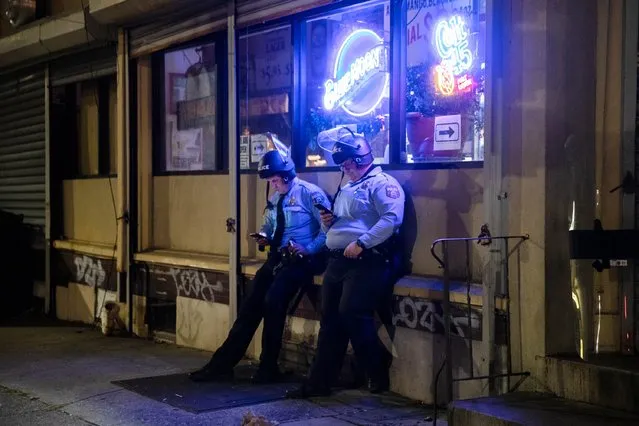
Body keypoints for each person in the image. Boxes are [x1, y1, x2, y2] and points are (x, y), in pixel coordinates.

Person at [189, 146, 330, 384]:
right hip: (278, 258)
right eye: (271, 181)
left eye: (275, 180)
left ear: (286, 175)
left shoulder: (311, 194)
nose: (273, 185)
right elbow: (270, 225)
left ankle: (268, 367)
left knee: (273, 302)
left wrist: (309, 249)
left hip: (302, 261)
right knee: (250, 305)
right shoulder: (275, 199)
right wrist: (265, 236)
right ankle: (220, 365)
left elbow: (329, 230)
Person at [286, 128, 405, 398]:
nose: (346, 169)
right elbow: (347, 222)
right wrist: (331, 223)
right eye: (342, 165)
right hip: (338, 260)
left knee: (352, 312)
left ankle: (375, 371)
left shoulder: (382, 183)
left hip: (368, 259)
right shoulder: (347, 186)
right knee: (330, 321)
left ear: (363, 158)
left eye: (349, 164)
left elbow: (390, 220)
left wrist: (361, 243)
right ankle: (319, 382)